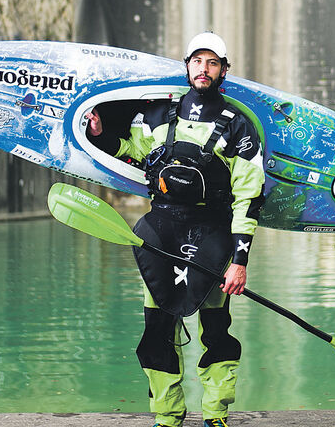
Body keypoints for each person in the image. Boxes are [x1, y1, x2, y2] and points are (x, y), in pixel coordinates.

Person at [86, 32, 265, 427]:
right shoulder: (156, 117)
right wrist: (99, 135)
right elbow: (131, 152)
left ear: (223, 71)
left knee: (215, 330)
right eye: (197, 61)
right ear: (186, 66)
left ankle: (215, 413)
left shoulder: (239, 128)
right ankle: (167, 415)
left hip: (213, 235)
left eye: (212, 62)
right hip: (162, 232)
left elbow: (249, 197)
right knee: (157, 329)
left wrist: (239, 261)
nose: (204, 69)